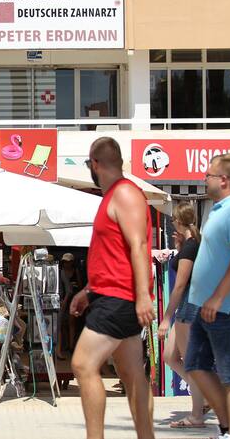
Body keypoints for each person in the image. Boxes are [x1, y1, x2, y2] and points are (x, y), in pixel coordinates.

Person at [69, 137, 155, 439]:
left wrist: (143, 296)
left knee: (82, 364)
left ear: (95, 164)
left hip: (119, 298)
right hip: (110, 294)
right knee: (132, 376)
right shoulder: (113, 197)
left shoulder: (125, 194)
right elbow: (112, 255)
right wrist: (88, 291)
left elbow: (139, 245)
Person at [184, 153, 230, 439]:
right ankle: (227, 428)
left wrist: (218, 297)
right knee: (195, 364)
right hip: (206, 307)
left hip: (227, 309)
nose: (204, 179)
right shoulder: (221, 209)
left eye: (208, 175)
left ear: (223, 180)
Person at [157, 202, 207, 428]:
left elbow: (179, 286)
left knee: (191, 363)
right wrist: (178, 244)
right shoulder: (189, 244)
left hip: (189, 306)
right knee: (169, 356)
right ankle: (205, 397)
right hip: (188, 306)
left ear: (178, 220)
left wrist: (166, 318)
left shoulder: (191, 247)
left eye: (172, 220)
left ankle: (197, 414)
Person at [58, 253, 84, 360]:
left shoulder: (75, 271)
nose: (66, 263)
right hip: (64, 299)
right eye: (65, 261)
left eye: (68, 261)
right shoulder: (60, 272)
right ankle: (65, 345)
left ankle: (71, 346)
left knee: (71, 322)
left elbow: (80, 285)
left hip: (73, 298)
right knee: (62, 324)